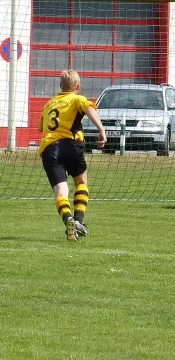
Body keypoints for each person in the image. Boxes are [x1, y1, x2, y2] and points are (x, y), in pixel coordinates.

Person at [38, 69, 106, 241]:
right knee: (81, 182)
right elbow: (89, 108)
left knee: (61, 190)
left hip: (50, 149)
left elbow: (41, 127)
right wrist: (101, 130)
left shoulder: (49, 104)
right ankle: (78, 220)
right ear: (77, 86)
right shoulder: (77, 99)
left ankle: (69, 220)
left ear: (60, 85)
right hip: (71, 146)